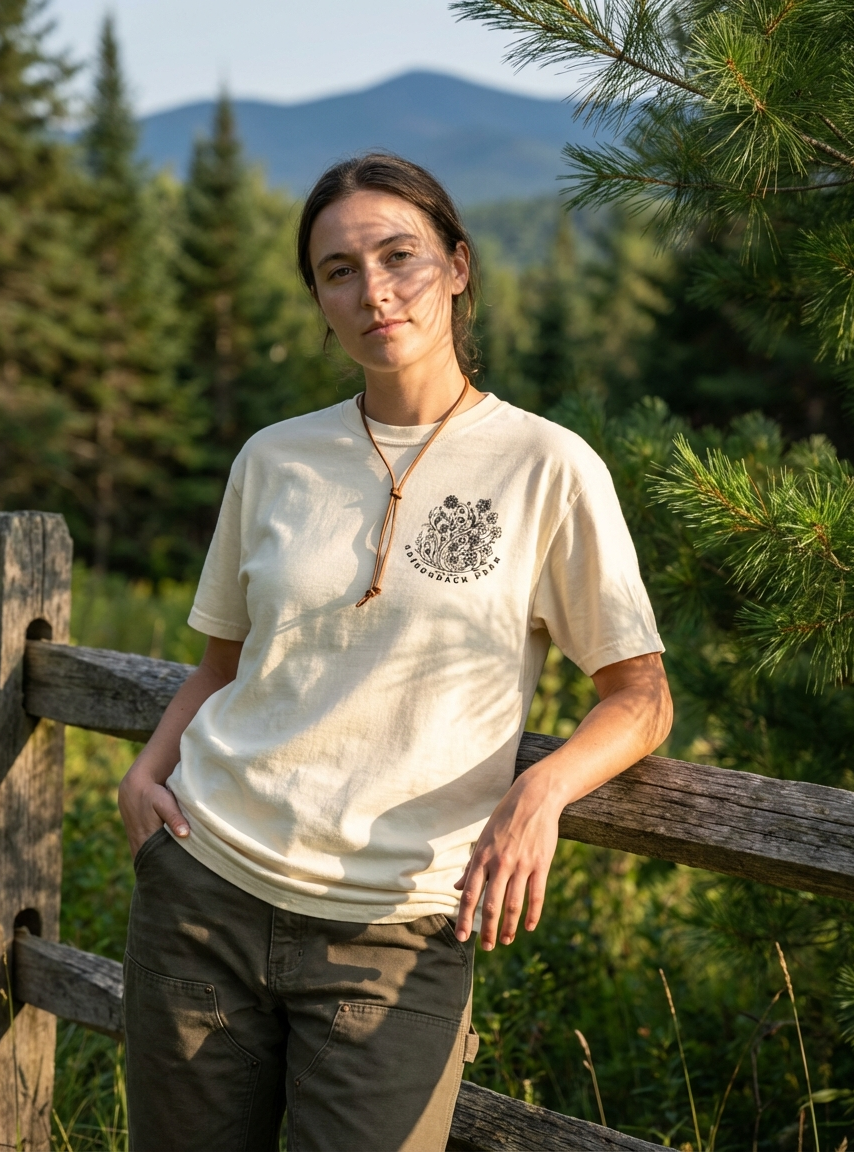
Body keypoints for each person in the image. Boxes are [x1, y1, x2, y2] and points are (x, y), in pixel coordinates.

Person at [117, 152, 672, 1152]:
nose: (373, 291)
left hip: (397, 931)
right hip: (205, 893)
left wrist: (537, 795)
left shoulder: (547, 467)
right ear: (320, 300)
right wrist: (146, 778)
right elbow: (218, 670)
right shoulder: (274, 459)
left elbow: (638, 697)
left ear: (458, 267)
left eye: (398, 256)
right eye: (338, 270)